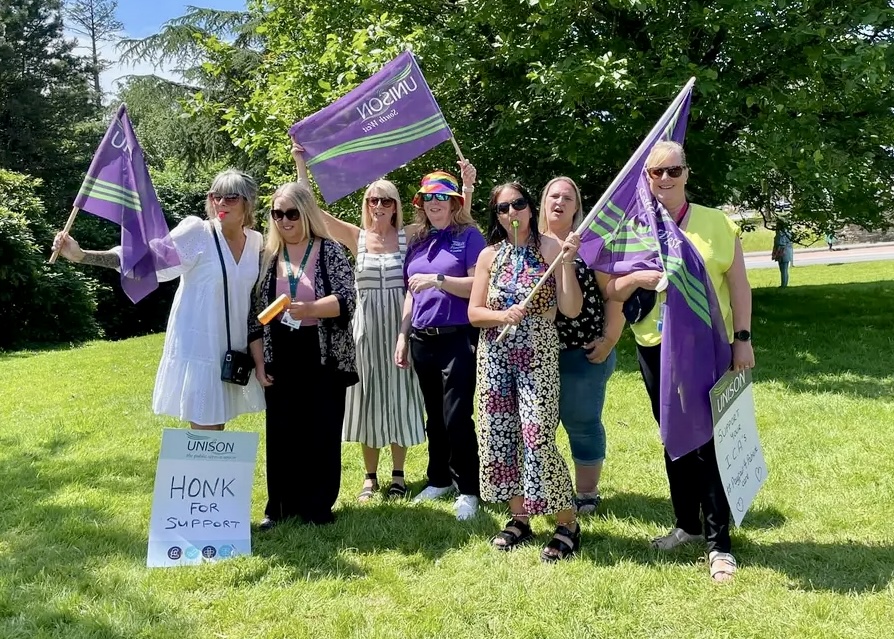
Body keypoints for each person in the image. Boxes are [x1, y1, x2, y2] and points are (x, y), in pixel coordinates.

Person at [606, 141, 755, 582]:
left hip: (708, 346)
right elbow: (612, 291)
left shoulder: (717, 223)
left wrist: (743, 339)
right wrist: (635, 277)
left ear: (687, 173)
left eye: (673, 171)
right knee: (673, 435)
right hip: (655, 347)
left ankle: (719, 545)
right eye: (656, 173)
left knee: (709, 442)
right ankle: (687, 526)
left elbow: (741, 287)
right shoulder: (635, 227)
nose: (665, 179)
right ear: (646, 178)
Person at [52, 169, 265, 430]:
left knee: (218, 429)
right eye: (215, 196)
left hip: (234, 350)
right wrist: (83, 255)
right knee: (206, 432)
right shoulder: (198, 233)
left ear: (248, 202)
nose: (220, 203)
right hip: (200, 347)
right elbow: (149, 260)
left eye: (230, 197)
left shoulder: (257, 242)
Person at [291, 142, 426, 502]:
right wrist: (301, 165)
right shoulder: (357, 237)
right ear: (366, 205)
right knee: (367, 397)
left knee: (399, 396)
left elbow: (451, 223)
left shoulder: (409, 235)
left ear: (396, 206)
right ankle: (370, 476)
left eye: (386, 201)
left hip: (399, 329)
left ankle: (398, 474)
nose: (379, 206)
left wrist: (468, 188)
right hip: (364, 332)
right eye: (373, 200)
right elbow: (313, 212)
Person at [469, 181, 585, 562]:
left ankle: (567, 523)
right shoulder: (489, 255)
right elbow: (474, 313)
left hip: (536, 351)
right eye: (503, 208)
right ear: (497, 216)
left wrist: (566, 263)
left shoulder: (550, 248)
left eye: (518, 204)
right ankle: (519, 517)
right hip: (495, 353)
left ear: (530, 208)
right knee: (499, 436)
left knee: (537, 435)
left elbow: (570, 309)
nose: (512, 213)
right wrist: (503, 314)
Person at [248, 181, 357, 530]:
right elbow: (255, 314)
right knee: (281, 431)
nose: (284, 220)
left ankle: (317, 506)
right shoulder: (266, 255)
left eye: (291, 213)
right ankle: (278, 508)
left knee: (321, 430)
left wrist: (308, 306)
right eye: (277, 214)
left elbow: (347, 300)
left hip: (321, 350)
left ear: (306, 213)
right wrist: (259, 360)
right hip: (279, 349)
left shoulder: (330, 251)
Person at [396, 169, 483, 521]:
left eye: (440, 198)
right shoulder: (418, 241)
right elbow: (409, 294)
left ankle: (469, 490)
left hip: (457, 338)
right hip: (421, 339)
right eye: (427, 198)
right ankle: (439, 478)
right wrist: (403, 335)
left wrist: (440, 280)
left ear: (453, 202)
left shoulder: (469, 236)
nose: (434, 204)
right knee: (434, 416)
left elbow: (479, 284)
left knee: (457, 416)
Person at [540, 177, 625, 514]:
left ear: (577, 207)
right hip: (538, 353)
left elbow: (614, 294)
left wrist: (609, 339)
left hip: (584, 351)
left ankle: (586, 494)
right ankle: (545, 489)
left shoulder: (592, 244)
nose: (559, 202)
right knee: (540, 424)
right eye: (553, 196)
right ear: (543, 202)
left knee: (582, 419)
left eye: (567, 198)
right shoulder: (530, 245)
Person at [772, 221, 794, 288]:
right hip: (786, 253)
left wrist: (776, 254)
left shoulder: (781, 234)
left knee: (783, 270)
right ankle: (784, 284)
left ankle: (784, 285)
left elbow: (781, 244)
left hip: (783, 253)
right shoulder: (788, 233)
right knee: (784, 269)